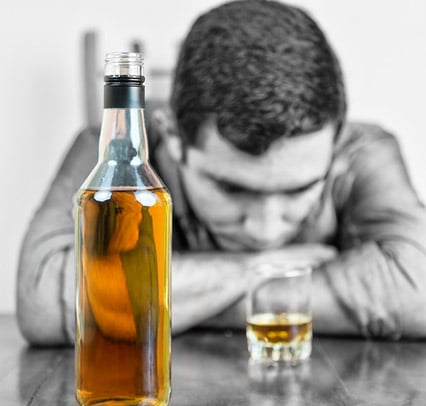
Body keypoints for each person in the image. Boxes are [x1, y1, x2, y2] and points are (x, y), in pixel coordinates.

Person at [17, 0, 426, 345]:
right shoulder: (111, 153)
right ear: (172, 134)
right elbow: (42, 302)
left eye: (300, 191)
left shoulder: (363, 151)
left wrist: (134, 302)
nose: (264, 231)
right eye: (232, 189)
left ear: (336, 143)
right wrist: (269, 270)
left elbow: (418, 292)